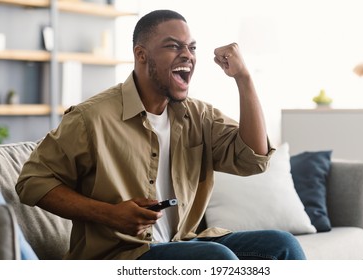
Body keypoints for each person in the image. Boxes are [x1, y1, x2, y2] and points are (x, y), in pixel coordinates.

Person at [16, 9, 306, 260]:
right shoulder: (91, 118)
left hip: (184, 242)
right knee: (215, 258)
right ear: (141, 55)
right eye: (173, 46)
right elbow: (31, 181)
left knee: (283, 246)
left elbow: (253, 159)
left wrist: (243, 78)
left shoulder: (199, 116)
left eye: (192, 48)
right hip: (121, 255)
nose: (187, 55)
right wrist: (109, 214)